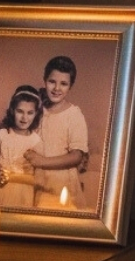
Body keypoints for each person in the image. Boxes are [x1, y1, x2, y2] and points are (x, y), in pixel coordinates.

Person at [25, 54, 89, 208]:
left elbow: (76, 156)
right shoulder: (37, 110)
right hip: (35, 180)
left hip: (62, 183)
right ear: (44, 80)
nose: (57, 88)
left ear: (70, 86)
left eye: (64, 84)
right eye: (52, 81)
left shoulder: (74, 115)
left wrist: (42, 162)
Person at [0, 84, 42, 209]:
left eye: (30, 113)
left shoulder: (35, 141)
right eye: (20, 111)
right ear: (12, 110)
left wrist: (13, 176)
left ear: (36, 114)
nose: (24, 118)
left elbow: (36, 177)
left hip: (21, 189)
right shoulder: (3, 134)